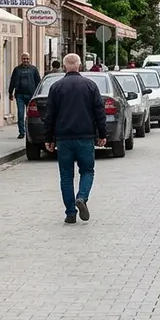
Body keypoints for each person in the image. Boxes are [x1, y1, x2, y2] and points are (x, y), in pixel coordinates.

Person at [42, 54, 107, 224]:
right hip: (85, 136)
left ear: (64, 66)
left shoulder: (56, 87)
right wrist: (102, 134)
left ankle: (70, 212)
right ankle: (82, 197)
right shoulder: (90, 86)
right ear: (80, 65)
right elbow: (99, 112)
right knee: (87, 171)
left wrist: (49, 137)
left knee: (66, 176)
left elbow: (50, 115)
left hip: (64, 138)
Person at [8, 52, 40, 140]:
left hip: (31, 95)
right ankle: (22, 132)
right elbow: (12, 81)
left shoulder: (33, 69)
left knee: (30, 115)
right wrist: (10, 92)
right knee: (20, 114)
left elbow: (38, 82)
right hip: (20, 95)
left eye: (27, 59)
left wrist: (38, 93)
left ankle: (29, 131)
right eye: (24, 59)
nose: (25, 60)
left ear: (29, 59)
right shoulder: (17, 70)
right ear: (21, 59)